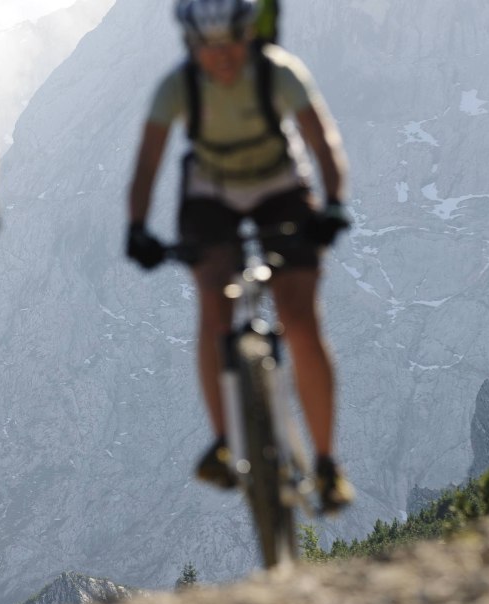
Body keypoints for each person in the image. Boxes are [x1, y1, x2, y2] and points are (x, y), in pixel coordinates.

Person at [124, 0, 354, 513]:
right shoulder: (177, 87)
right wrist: (138, 227)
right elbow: (147, 164)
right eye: (210, 48)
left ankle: (325, 463)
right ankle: (224, 442)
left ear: (249, 36)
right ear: (192, 47)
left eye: (231, 43)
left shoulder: (280, 74)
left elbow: (324, 144)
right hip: (212, 194)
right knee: (212, 303)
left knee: (298, 316)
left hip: (279, 186)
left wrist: (334, 203)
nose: (222, 58)